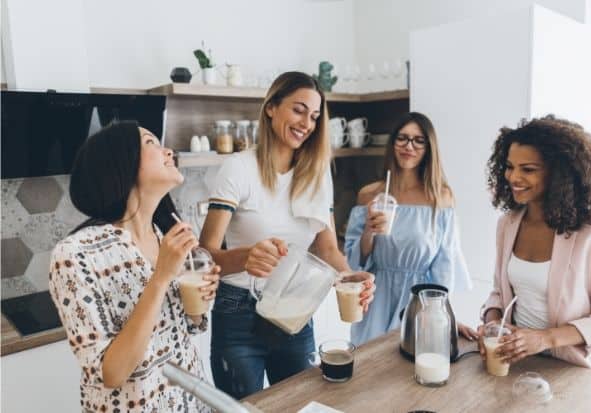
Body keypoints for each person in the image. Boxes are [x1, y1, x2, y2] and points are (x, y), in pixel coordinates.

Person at [200, 71, 375, 399]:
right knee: (244, 409)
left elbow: (328, 249)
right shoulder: (238, 169)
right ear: (271, 107)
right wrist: (246, 256)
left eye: (314, 116)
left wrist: (352, 277)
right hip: (238, 313)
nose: (306, 123)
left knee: (301, 405)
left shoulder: (317, 174)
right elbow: (204, 257)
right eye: (298, 110)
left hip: (295, 308)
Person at [49, 121, 220, 411]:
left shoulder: (164, 235)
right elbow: (112, 373)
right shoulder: (75, 254)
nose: (169, 151)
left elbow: (181, 330)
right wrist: (161, 277)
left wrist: (199, 303)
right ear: (119, 164)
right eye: (151, 143)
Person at [479, 115, 591, 370]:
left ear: (559, 174)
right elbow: (500, 293)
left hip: (572, 370)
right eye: (510, 167)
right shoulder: (508, 224)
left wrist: (544, 339)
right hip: (515, 363)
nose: (513, 177)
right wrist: (493, 323)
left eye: (528, 169)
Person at [344, 112, 474, 346]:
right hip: (375, 299)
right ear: (393, 143)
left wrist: (443, 315)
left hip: (419, 302)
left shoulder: (440, 198)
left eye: (418, 140)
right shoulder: (369, 195)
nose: (409, 146)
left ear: (429, 147)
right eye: (402, 138)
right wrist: (369, 230)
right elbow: (354, 263)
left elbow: (445, 266)